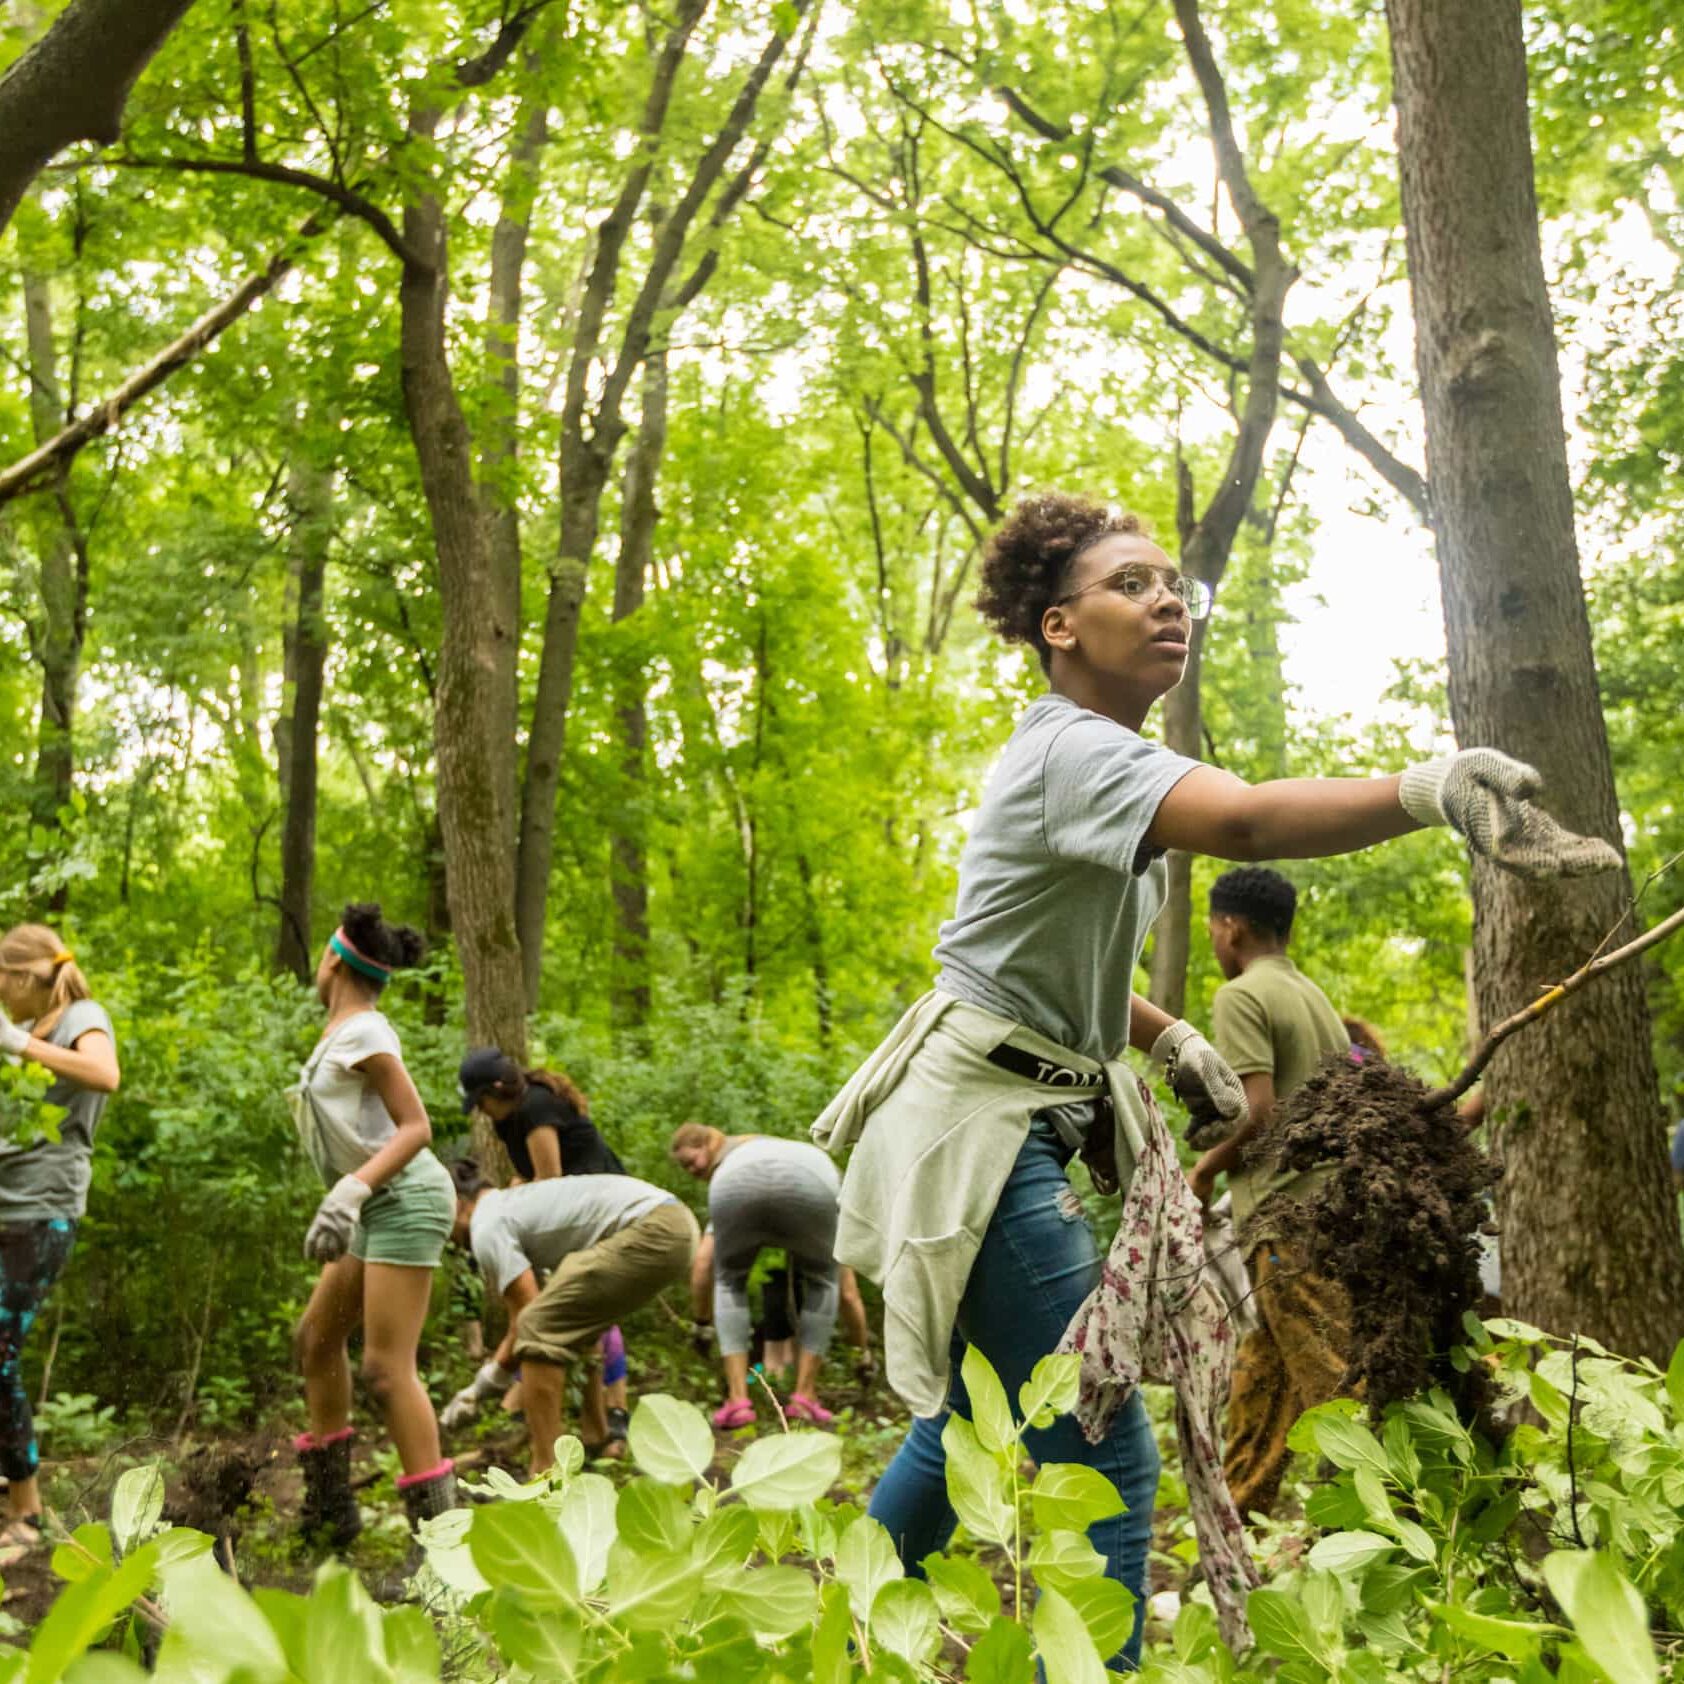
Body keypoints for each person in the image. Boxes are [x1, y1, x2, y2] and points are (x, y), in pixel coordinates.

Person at [810, 492, 1619, 1668]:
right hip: (978, 1128)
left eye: (1172, 585)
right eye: (1129, 583)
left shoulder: (1105, 760)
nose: (1165, 601)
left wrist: (1159, 1033)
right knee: (1105, 1449)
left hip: (1015, 1097)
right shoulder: (1070, 749)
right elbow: (1243, 819)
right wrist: (1424, 791)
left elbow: (1021, 954)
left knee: (960, 1419)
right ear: (1058, 627)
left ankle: (832, 1636)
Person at [1185, 868, 1355, 1521]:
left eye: (1210, 928)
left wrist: (1203, 1172)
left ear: (1232, 927)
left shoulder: (1242, 997)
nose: (1211, 940)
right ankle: (1235, 1547)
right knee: (1261, 1390)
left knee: (1342, 1402)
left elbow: (1259, 1115)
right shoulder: (1312, 999)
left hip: (1288, 1228)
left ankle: (1397, 1552)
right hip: (1333, 1217)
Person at [288, 903, 458, 1551]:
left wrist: (352, 1190)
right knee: (316, 1339)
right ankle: (333, 1509)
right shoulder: (341, 1034)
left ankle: (442, 1550)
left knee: (387, 1370)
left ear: (333, 959)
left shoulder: (364, 1031)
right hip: (374, 1202)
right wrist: (351, 1195)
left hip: (405, 1199)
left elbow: (417, 1127)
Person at [440, 1160, 697, 1473]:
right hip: (674, 1224)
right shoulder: (509, 1205)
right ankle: (597, 1438)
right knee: (576, 1327)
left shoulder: (487, 1223)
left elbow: (526, 1316)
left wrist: (482, 1386)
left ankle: (545, 1471)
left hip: (654, 1229)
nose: (445, 1236)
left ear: (454, 1203)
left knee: (538, 1327)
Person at [0, 925, 119, 1567]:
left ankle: (27, 1513)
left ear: (22, 977)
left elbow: (104, 1074)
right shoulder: (34, 1028)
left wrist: (19, 1043)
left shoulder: (82, 1016)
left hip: (43, 1212)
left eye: (1, 981)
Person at [456, 1048, 631, 1453]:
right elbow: (532, 1174)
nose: (480, 1112)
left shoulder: (535, 1107)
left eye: (481, 1102)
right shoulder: (512, 1116)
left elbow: (550, 1182)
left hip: (596, 1207)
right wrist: (511, 1191)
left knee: (584, 1308)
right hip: (573, 1210)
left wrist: (511, 1203)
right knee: (573, 1310)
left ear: (496, 1091)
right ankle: (587, 1424)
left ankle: (604, 1422)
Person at [670, 1123, 844, 1428]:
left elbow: (702, 1265)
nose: (691, 1171)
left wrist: (702, 1324)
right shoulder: (762, 1144)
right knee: (823, 1280)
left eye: (690, 1162)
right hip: (815, 1176)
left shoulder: (732, 1164)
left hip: (736, 1184)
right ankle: (804, 1397)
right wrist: (863, 1347)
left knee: (729, 1281)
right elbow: (848, 1287)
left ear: (709, 1143)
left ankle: (737, 1401)